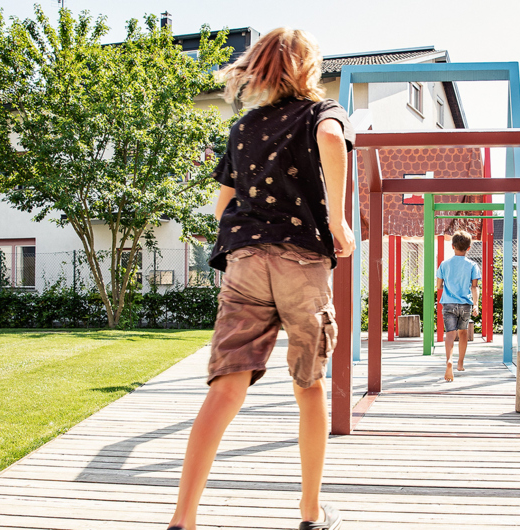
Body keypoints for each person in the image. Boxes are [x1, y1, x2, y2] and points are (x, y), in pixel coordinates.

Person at [166, 27, 355, 530]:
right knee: (308, 385)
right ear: (309, 68)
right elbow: (333, 141)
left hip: (246, 260)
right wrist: (336, 220)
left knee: (225, 388)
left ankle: (183, 518)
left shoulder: (244, 127)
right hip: (301, 261)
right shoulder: (322, 111)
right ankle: (311, 513)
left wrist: (246, 230)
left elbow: (221, 204)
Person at [435, 230, 481, 382]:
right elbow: (474, 287)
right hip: (465, 304)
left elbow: (439, 285)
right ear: (468, 248)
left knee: (450, 334)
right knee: (463, 333)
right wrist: (476, 304)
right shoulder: (472, 265)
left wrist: (447, 285)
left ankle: (449, 360)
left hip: (448, 302)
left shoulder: (444, 264)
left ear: (452, 246)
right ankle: (460, 363)